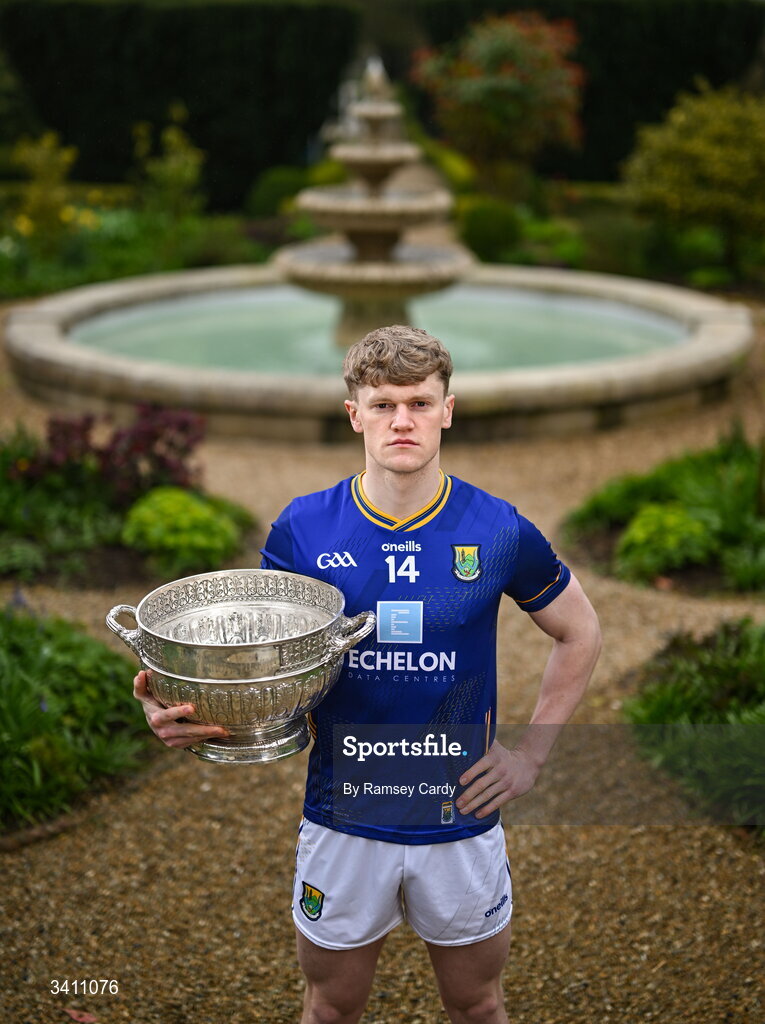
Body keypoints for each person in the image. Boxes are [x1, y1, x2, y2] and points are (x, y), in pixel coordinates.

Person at [133, 325, 601, 1024]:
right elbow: (262, 665)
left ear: (447, 410)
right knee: (330, 1006)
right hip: (343, 817)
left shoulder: (498, 529)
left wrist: (531, 754)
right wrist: (184, 705)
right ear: (354, 414)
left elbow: (580, 631)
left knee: (476, 1004)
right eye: (383, 405)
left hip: (459, 819)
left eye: (419, 403)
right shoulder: (304, 529)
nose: (401, 420)